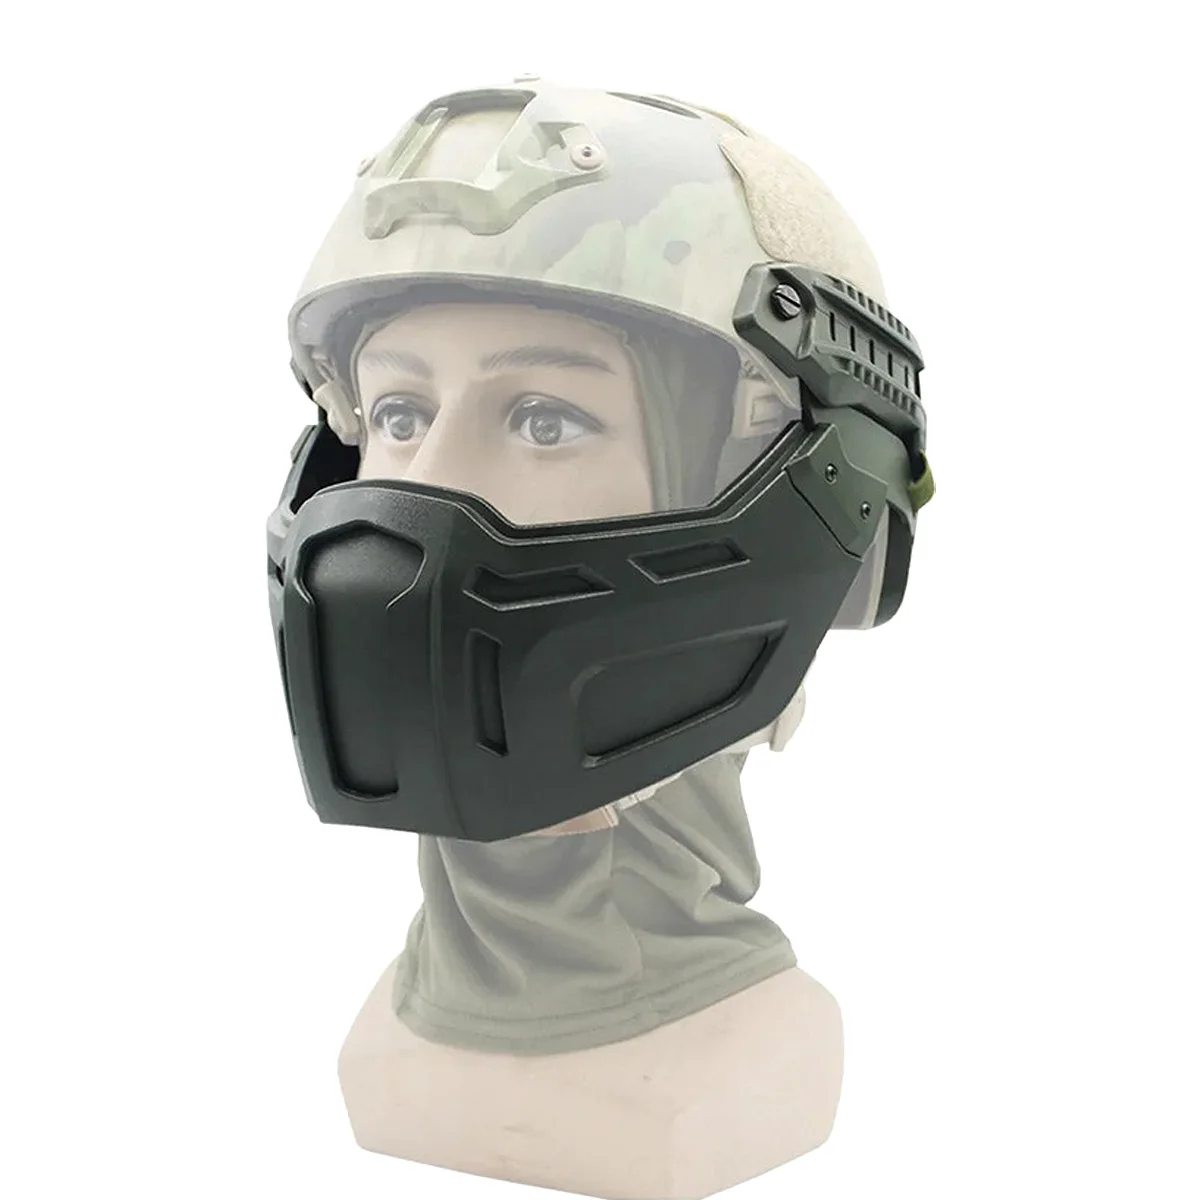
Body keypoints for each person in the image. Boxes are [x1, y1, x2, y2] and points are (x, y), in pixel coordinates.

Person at [267, 77, 933, 1197]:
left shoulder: (754, 1066)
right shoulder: (377, 1039)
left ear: (814, 500)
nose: (419, 498)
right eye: (398, 415)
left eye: (544, 420)